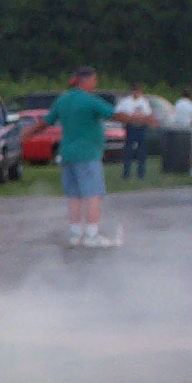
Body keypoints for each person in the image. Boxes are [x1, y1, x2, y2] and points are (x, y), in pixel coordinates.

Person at [44, 67, 118, 248]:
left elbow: (47, 121)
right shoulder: (89, 101)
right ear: (85, 81)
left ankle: (75, 234)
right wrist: (139, 119)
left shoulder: (63, 99)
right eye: (94, 80)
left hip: (67, 154)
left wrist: (26, 134)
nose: (95, 83)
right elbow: (113, 114)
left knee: (74, 196)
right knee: (93, 194)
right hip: (87, 155)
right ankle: (92, 234)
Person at [113, 81, 156, 179]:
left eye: (138, 91)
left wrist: (144, 119)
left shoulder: (143, 101)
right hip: (131, 127)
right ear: (132, 91)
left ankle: (141, 173)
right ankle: (126, 173)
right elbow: (118, 112)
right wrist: (128, 118)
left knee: (141, 151)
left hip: (141, 127)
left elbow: (148, 114)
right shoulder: (125, 101)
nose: (137, 93)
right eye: (135, 91)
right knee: (128, 150)